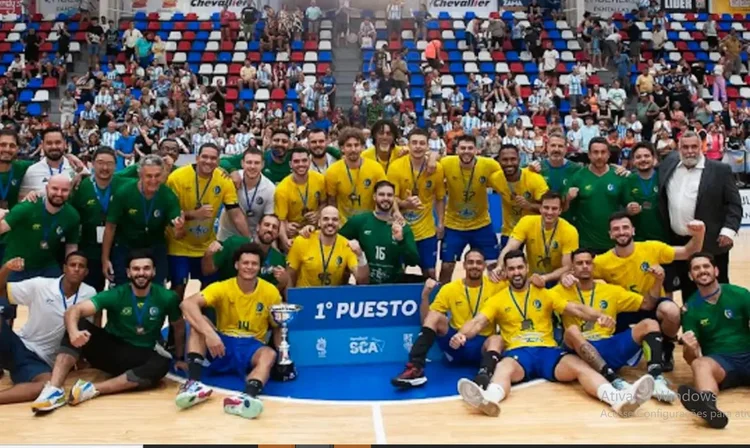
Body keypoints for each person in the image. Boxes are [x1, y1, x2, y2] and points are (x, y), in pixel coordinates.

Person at [452, 250, 655, 417]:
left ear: (527, 268)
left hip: (548, 351)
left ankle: (618, 401)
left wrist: (598, 316)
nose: (516, 272)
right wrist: (462, 334)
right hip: (519, 353)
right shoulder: (498, 299)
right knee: (503, 367)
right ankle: (489, 400)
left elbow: (576, 309)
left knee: (579, 366)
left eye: (520, 267)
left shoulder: (546, 293)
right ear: (505, 271)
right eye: (511, 268)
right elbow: (478, 322)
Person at [31, 249, 183, 413]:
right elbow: (73, 310)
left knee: (162, 363)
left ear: (153, 271)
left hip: (140, 354)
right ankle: (55, 389)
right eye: (136, 269)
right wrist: (74, 332)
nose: (141, 273)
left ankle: (91, 389)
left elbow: (179, 328)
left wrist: (181, 358)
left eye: (146, 268)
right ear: (128, 272)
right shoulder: (116, 294)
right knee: (78, 323)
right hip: (110, 350)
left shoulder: (167, 297)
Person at [582, 212, 705, 370]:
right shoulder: (602, 261)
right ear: (610, 234)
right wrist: (568, 278)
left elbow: (688, 252)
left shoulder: (651, 248)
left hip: (653, 303)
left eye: (625, 227)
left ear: (633, 230)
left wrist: (700, 234)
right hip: (625, 308)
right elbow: (580, 273)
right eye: (616, 229)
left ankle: (666, 348)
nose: (621, 232)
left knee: (671, 311)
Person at [554, 248, 676, 402]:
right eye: (579, 263)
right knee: (571, 331)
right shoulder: (558, 291)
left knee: (649, 324)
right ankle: (613, 379)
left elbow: (647, 304)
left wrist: (658, 281)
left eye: (588, 263)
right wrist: (561, 278)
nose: (584, 266)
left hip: (608, 345)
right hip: (580, 350)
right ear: (572, 268)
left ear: (594, 267)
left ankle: (657, 378)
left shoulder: (611, 291)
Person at [176, 243, 281, 420]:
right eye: (245, 263)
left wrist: (283, 357)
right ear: (236, 265)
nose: (249, 267)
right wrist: (210, 334)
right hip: (223, 343)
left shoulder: (271, 292)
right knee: (199, 325)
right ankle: (194, 384)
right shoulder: (222, 287)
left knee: (269, 355)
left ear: (260, 267)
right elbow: (187, 304)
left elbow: (278, 325)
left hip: (252, 345)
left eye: (254, 264)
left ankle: (247, 397)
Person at [391, 250, 507, 388]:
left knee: (497, 339)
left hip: (481, 346)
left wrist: (504, 272)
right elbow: (426, 321)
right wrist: (425, 296)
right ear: (463, 265)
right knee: (435, 316)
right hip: (455, 344)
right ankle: (415, 368)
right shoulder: (450, 289)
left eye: (478, 262)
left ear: (484, 266)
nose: (474, 266)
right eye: (470, 262)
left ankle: (484, 376)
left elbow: (522, 284)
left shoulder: (497, 286)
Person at [0, 253, 96, 405]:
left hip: (40, 362)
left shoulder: (90, 293)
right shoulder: (40, 285)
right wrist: (6, 268)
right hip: (18, 344)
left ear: (86, 272)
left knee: (47, 387)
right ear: (64, 268)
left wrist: (81, 359)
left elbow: (87, 331)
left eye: (81, 266)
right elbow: (1, 289)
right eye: (72, 265)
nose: (76, 269)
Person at [658, 131, 742, 302]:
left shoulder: (720, 170)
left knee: (717, 289)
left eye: (694, 146)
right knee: (688, 290)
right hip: (679, 243)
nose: (690, 151)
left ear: (701, 147)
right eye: (685, 147)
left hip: (710, 242)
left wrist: (728, 231)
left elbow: (734, 204)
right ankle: (693, 326)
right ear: (678, 148)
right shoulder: (669, 164)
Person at [166, 143, 249, 302]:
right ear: (197, 158)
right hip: (178, 244)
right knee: (178, 286)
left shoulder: (223, 180)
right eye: (204, 157)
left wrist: (249, 240)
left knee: (209, 288)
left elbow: (236, 214)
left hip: (206, 245)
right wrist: (195, 214)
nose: (208, 161)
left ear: (218, 161)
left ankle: (204, 323)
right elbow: (171, 214)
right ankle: (176, 326)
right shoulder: (177, 177)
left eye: (213, 158)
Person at [678, 252, 750, 429]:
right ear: (690, 275)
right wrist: (689, 347)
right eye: (696, 268)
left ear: (716, 271)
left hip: (747, 354)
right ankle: (708, 407)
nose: (702, 271)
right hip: (721, 365)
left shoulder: (740, 294)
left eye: (706, 266)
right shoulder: (690, 309)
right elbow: (690, 359)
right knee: (700, 365)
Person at [102, 155, 185, 287]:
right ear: (140, 174)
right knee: (122, 291)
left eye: (157, 175)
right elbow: (110, 227)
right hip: (125, 247)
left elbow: (177, 234)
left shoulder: (168, 196)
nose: (153, 180)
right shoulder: (123, 193)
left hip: (155, 247)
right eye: (149, 176)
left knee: (156, 291)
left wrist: (180, 229)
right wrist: (105, 259)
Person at [439, 135, 505, 283]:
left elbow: (506, 179)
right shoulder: (446, 163)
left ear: (477, 150)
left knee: (493, 266)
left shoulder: (490, 165)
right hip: (453, 225)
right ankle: (442, 298)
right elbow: (430, 160)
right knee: (447, 266)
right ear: (456, 150)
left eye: (470, 148)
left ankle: (494, 300)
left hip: (481, 224)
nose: (466, 152)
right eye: (462, 148)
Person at [388, 128, 446, 279]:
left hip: (426, 231)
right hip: (402, 229)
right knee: (397, 273)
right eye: (414, 143)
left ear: (427, 146)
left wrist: (440, 222)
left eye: (422, 143)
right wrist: (398, 212)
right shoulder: (396, 166)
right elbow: (391, 197)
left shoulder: (437, 169)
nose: (418, 146)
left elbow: (440, 198)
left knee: (431, 273)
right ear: (408, 145)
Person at [340, 180, 419, 284]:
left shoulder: (403, 228)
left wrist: (401, 240)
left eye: (389, 195)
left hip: (393, 286)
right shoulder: (360, 221)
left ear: (394, 199)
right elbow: (338, 241)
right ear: (374, 197)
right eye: (381, 194)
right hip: (366, 286)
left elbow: (413, 262)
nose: (386, 198)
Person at [69, 147, 125, 291]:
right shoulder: (81, 186)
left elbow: (145, 168)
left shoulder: (125, 184)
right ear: (92, 164)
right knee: (92, 294)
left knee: (118, 294)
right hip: (89, 249)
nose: (105, 167)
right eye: (100, 163)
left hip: (118, 248)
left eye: (110, 163)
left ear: (116, 165)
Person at [495, 191, 577, 287]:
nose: (549, 212)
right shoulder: (526, 222)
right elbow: (510, 247)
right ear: (541, 208)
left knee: (567, 279)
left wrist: (544, 278)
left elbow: (567, 267)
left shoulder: (570, 231)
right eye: (546, 208)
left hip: (556, 278)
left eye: (554, 209)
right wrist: (499, 266)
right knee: (500, 278)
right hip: (531, 278)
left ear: (560, 210)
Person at [565, 137, 627, 254]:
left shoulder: (619, 176)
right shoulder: (577, 177)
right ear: (589, 155)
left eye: (603, 152)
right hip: (586, 244)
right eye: (595, 152)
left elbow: (628, 207)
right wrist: (568, 199)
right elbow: (564, 209)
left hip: (614, 243)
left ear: (608, 155)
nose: (599, 156)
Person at [287, 205, 369, 287]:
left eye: (335, 219)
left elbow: (362, 281)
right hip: (305, 296)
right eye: (326, 219)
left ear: (340, 223)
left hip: (331, 298)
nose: (330, 222)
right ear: (319, 222)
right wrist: (290, 298)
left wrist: (360, 256)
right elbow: (290, 275)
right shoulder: (302, 240)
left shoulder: (346, 245)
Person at [202, 214, 288, 290]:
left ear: (277, 233)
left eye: (274, 227)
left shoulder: (279, 259)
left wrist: (283, 283)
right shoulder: (233, 243)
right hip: (226, 297)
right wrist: (208, 255)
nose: (270, 229)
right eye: (266, 225)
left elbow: (271, 294)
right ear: (258, 227)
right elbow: (207, 271)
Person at [325, 127, 387, 225]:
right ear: (342, 148)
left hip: (370, 222)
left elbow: (384, 196)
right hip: (344, 224)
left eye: (356, 145)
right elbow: (332, 201)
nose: (353, 149)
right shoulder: (332, 171)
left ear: (363, 147)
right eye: (349, 145)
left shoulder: (376, 168)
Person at [492, 144, 548, 248]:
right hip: (510, 231)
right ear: (498, 161)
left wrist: (529, 206)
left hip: (533, 231)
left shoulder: (534, 178)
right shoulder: (495, 178)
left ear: (519, 159)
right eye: (505, 160)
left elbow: (549, 208)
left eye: (513, 159)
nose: (509, 163)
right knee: (506, 261)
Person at [274, 147, 327, 252]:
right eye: (296, 161)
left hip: (316, 232)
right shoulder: (282, 189)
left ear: (309, 161)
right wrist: (286, 242)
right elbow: (281, 220)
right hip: (295, 234)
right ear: (290, 164)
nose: (301, 164)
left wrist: (318, 213)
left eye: (304, 160)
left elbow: (324, 203)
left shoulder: (320, 179)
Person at [217, 148, 275, 241]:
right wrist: (231, 170)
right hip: (226, 235)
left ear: (263, 165)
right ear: (242, 163)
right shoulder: (231, 179)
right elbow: (219, 161)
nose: (252, 166)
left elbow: (267, 219)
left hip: (253, 237)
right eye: (249, 162)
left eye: (256, 163)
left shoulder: (270, 189)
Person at [19, 127, 87, 199]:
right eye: (49, 143)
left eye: (58, 142)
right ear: (42, 145)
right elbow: (21, 199)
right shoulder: (32, 171)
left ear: (64, 143)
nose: (54, 146)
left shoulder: (76, 167)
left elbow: (92, 183)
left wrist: (82, 174)